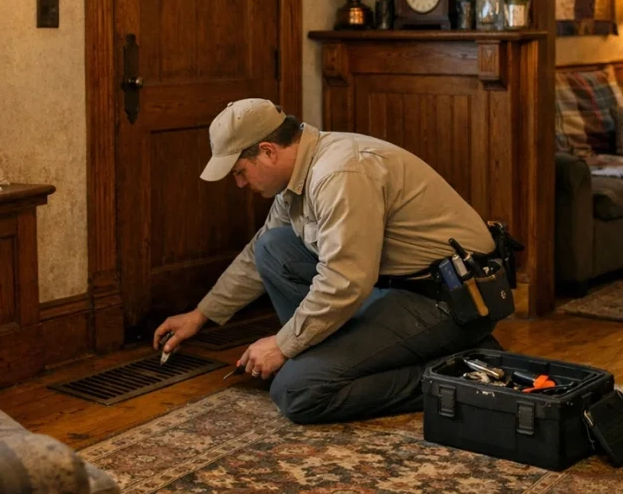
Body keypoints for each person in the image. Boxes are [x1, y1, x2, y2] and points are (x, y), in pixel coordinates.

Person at [154, 98, 504, 423]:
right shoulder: (298, 175)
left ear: (268, 151)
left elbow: (345, 281)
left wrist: (283, 344)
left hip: (449, 303)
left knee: (298, 391)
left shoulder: (339, 173)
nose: (240, 183)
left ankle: (463, 367)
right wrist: (201, 315)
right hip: (397, 286)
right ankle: (332, 358)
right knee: (273, 248)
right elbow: (256, 254)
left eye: (240, 171)